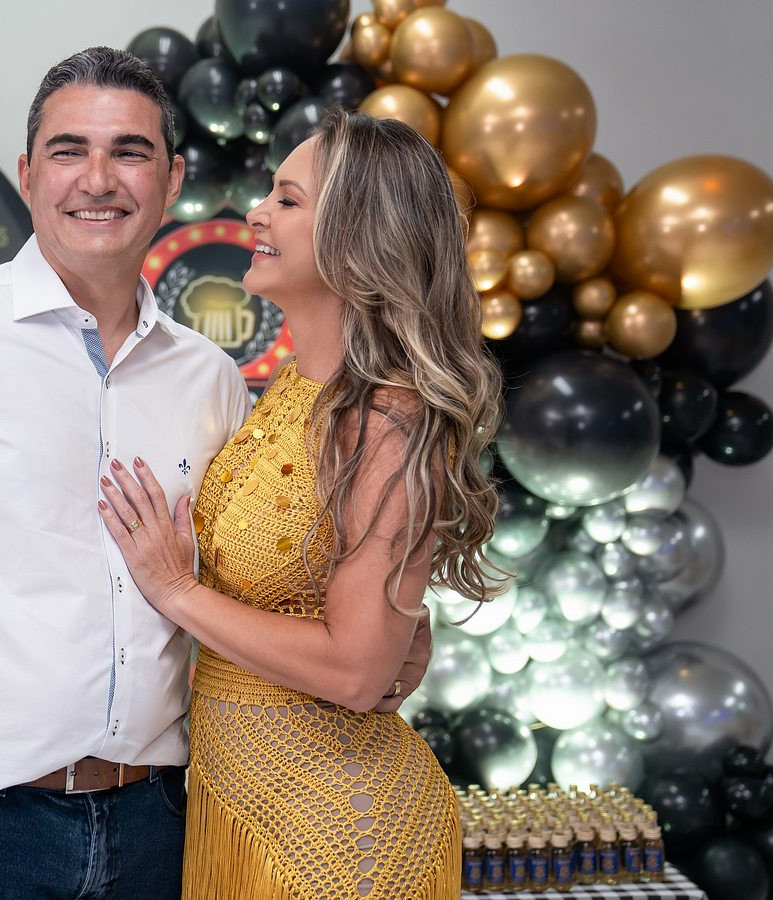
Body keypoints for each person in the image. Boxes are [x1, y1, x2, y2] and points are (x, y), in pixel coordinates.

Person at [0, 49, 431, 900]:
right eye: (68, 150)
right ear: (28, 174)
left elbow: (280, 570)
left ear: (172, 179)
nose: (97, 179)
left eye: (129, 152)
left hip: (167, 825)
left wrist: (399, 631)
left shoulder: (212, 378)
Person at [98, 109, 504, 899]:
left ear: (358, 239)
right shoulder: (295, 389)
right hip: (245, 809)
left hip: (338, 841)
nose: (256, 213)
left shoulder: (387, 421)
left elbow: (355, 671)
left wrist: (177, 592)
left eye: (288, 200)